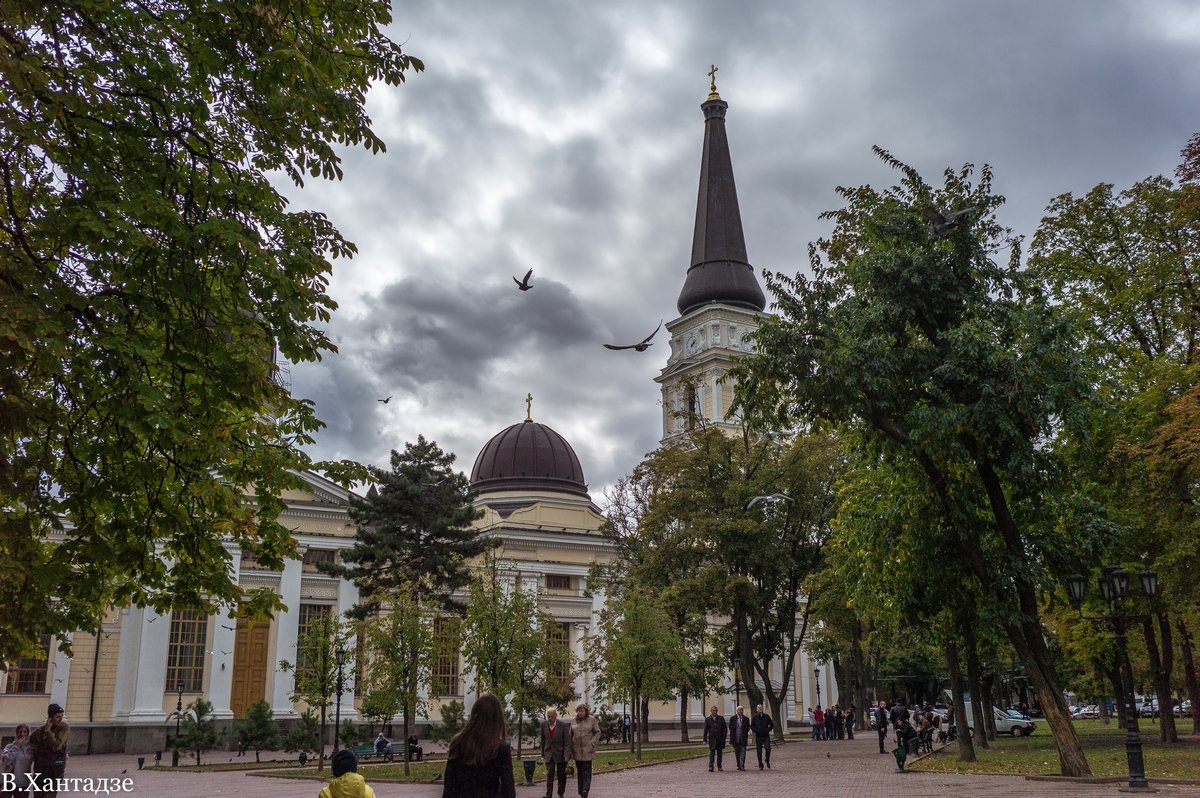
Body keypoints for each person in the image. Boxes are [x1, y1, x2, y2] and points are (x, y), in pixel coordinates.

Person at [441, 692, 516, 798]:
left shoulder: (457, 743)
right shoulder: (500, 749)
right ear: (497, 717)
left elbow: (449, 787)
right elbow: (508, 790)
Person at [28, 704, 68, 798]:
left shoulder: (64, 727)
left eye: (61, 716)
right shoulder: (40, 730)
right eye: (57, 717)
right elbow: (30, 741)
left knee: (50, 795)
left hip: (55, 770)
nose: (60, 719)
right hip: (41, 769)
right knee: (38, 795)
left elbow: (56, 746)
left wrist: (48, 731)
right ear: (50, 717)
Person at [539, 707, 573, 798]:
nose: (550, 718)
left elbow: (567, 742)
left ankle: (560, 793)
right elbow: (542, 740)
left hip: (561, 754)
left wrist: (567, 755)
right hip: (549, 754)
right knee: (550, 774)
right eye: (548, 716)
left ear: (556, 716)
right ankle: (548, 794)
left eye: (552, 716)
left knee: (561, 775)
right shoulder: (544, 725)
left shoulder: (563, 725)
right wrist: (542, 753)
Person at [570, 704, 600, 798]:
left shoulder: (592, 720)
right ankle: (581, 791)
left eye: (582, 711)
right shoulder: (574, 720)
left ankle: (585, 789)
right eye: (579, 711)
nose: (580, 713)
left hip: (588, 749)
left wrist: (592, 743)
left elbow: (597, 732)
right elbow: (570, 734)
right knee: (580, 771)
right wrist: (570, 747)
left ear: (586, 711)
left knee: (586, 770)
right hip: (577, 749)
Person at [2, 723, 34, 798]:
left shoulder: (31, 748)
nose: (22, 734)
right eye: (20, 732)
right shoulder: (10, 746)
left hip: (24, 783)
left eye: (25, 732)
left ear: (28, 733)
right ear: (16, 733)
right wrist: (16, 747)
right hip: (9, 782)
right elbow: (5, 760)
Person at [702, 706, 727, 772]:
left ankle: (719, 766)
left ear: (717, 711)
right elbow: (705, 730)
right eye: (713, 710)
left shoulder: (721, 718)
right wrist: (704, 740)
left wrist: (724, 737)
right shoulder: (708, 719)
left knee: (719, 754)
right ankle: (711, 766)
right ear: (711, 711)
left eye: (715, 710)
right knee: (712, 753)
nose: (714, 712)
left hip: (720, 739)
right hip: (712, 739)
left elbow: (725, 728)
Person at [750, 703, 773, 770]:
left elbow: (771, 724)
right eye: (759, 708)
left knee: (768, 748)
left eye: (761, 707)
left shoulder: (766, 716)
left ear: (762, 708)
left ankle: (767, 759)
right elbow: (752, 726)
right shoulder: (755, 717)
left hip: (766, 736)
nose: (760, 709)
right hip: (758, 736)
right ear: (757, 709)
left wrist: (768, 730)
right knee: (759, 751)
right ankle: (760, 764)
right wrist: (756, 731)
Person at [728, 705, 750, 771]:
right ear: (737, 711)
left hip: (743, 738)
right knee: (737, 753)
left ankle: (742, 765)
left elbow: (748, 727)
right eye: (739, 710)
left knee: (743, 752)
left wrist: (744, 732)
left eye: (742, 710)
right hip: (735, 738)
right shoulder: (732, 718)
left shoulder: (746, 719)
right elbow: (730, 727)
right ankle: (739, 764)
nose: (741, 711)